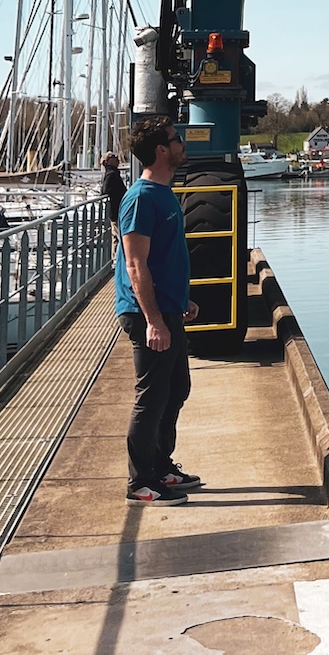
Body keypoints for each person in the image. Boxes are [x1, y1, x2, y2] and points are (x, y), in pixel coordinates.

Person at [116, 117, 201, 504]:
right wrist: (153, 321)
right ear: (162, 150)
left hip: (168, 309)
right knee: (151, 396)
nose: (182, 144)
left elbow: (166, 259)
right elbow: (136, 265)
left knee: (176, 388)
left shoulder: (164, 193)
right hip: (146, 314)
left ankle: (161, 467)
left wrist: (182, 300)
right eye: (176, 139)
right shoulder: (140, 198)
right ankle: (139, 482)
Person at [100, 153, 126, 251]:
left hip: (117, 209)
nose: (117, 159)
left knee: (117, 236)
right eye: (114, 157)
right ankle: (115, 258)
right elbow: (105, 190)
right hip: (116, 209)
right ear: (109, 161)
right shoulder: (111, 174)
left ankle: (115, 257)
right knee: (117, 235)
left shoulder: (112, 173)